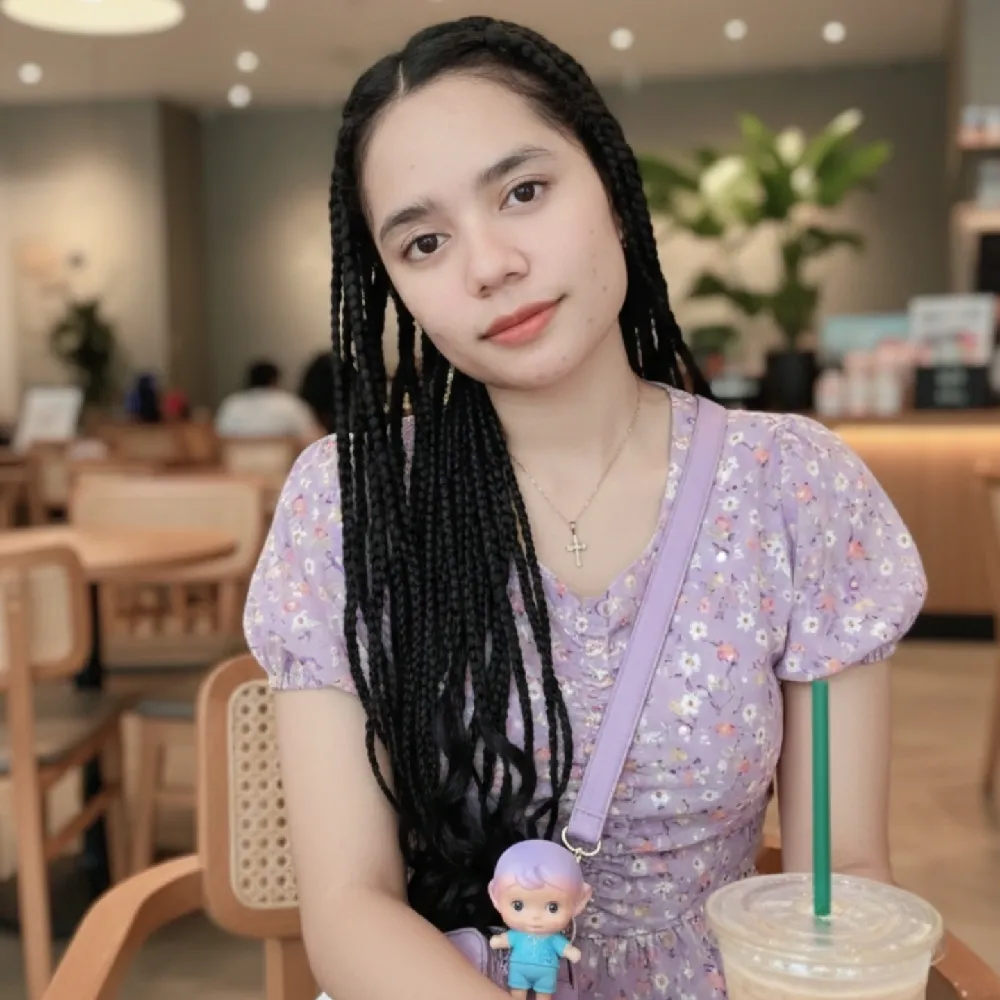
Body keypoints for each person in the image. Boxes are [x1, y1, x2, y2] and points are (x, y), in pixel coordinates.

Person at [243, 17, 926, 1000]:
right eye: (425, 241)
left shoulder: (792, 485)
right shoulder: (350, 505)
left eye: (523, 191)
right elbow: (349, 905)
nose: (489, 264)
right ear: (394, 285)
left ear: (610, 184)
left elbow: (843, 876)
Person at [215, 359, 323, 443]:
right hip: (284, 464)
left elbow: (217, 437)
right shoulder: (291, 404)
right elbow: (314, 438)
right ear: (274, 380)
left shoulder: (231, 404)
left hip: (235, 464)